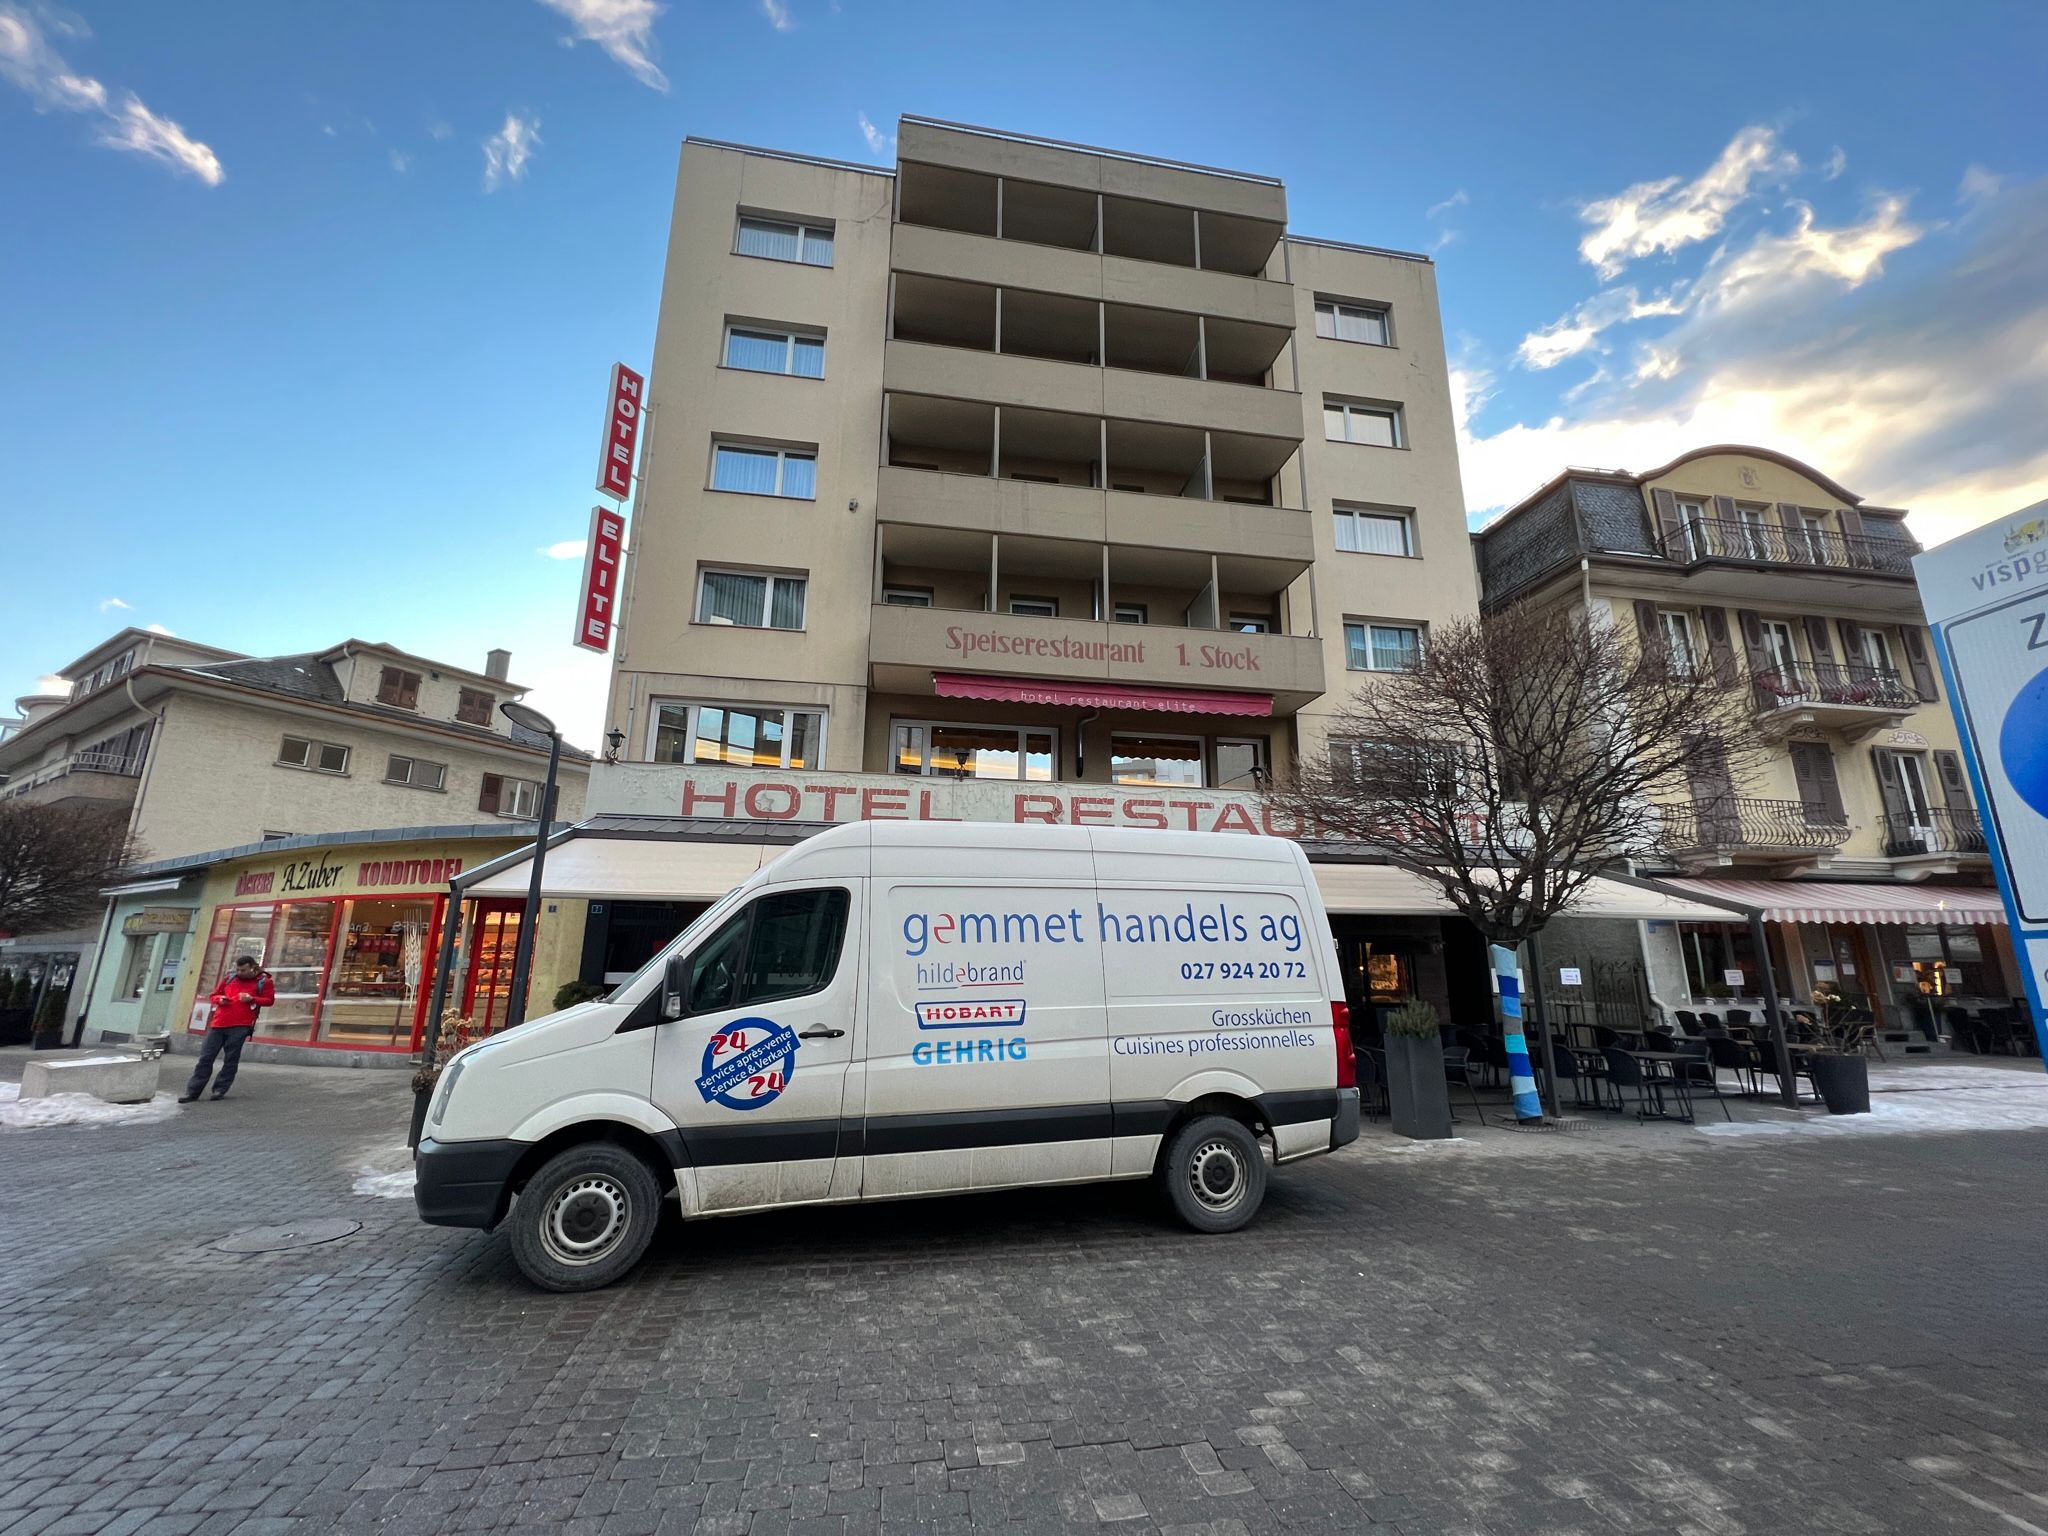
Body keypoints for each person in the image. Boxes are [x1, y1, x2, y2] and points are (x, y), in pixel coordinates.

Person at [182, 955, 273, 1102]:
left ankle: (219, 1089)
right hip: (218, 1023)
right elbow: (214, 995)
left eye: (243, 970)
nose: (239, 973)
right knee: (206, 1058)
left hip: (241, 1025)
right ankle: (192, 1092)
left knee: (231, 1059)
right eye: (238, 969)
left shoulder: (264, 981)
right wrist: (220, 999)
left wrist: (252, 999)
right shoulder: (229, 978)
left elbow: (269, 1000)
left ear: (252, 968)